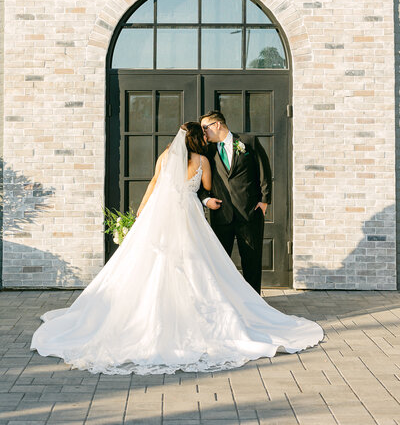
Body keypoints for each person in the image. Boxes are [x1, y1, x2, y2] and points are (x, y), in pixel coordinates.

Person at [30, 122, 323, 376]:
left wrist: (140, 214)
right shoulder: (202, 162)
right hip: (188, 215)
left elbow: (153, 184)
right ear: (199, 140)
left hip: (157, 215)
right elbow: (205, 188)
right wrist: (204, 197)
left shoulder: (165, 157)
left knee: (150, 262)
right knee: (197, 264)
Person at [199, 111, 272, 294]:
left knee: (252, 262)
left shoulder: (248, 142)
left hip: (249, 213)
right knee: (219, 264)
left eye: (204, 128)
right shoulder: (206, 151)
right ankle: (223, 301)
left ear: (217, 125)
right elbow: (197, 181)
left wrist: (264, 201)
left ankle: (255, 302)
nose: (203, 133)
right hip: (221, 214)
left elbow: (264, 171)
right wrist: (206, 200)